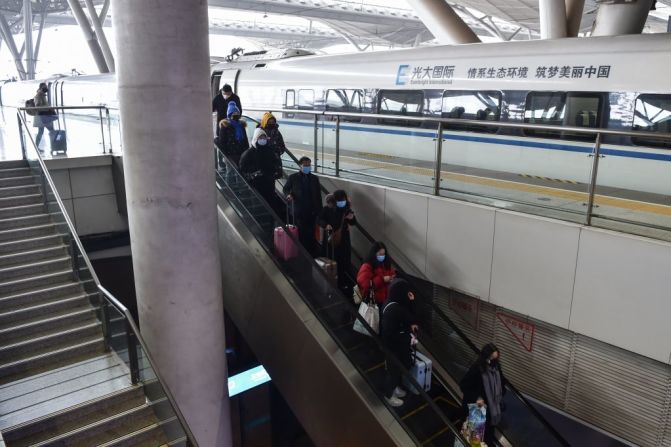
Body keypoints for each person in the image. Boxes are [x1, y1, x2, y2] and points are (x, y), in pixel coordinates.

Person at [380, 278, 418, 408]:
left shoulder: (389, 303)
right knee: (394, 370)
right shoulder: (396, 309)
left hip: (390, 345)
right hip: (395, 346)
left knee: (394, 369)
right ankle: (388, 395)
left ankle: (394, 388)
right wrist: (412, 302)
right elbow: (411, 317)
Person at [459, 343, 506, 446]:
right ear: (485, 357)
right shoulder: (477, 369)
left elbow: (501, 383)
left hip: (491, 409)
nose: (493, 361)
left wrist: (500, 393)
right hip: (478, 409)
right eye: (491, 358)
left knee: (488, 436)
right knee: (475, 439)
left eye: (496, 358)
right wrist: (477, 398)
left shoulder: (496, 367)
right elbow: (464, 385)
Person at [319, 189, 356, 298]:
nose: (342, 202)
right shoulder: (327, 209)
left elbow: (353, 222)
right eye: (340, 200)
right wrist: (326, 225)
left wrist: (352, 218)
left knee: (344, 262)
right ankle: (331, 282)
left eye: (344, 200)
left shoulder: (346, 210)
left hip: (344, 241)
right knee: (332, 260)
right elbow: (319, 219)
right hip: (331, 241)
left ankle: (342, 284)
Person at [282, 156, 322, 256]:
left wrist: (319, 211)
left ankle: (311, 253)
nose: (308, 167)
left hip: (312, 211)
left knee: (312, 232)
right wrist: (289, 195)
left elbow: (318, 195)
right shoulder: (293, 177)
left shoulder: (314, 178)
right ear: (300, 165)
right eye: (305, 165)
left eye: (309, 165)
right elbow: (286, 189)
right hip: (299, 210)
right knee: (301, 232)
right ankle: (302, 253)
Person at [240, 128, 282, 209]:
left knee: (270, 203)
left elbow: (276, 162)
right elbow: (243, 168)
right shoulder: (249, 153)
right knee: (258, 205)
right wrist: (257, 171)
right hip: (256, 184)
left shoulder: (270, 150)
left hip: (269, 183)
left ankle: (271, 220)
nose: (263, 140)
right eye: (260, 138)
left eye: (264, 138)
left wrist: (275, 172)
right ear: (256, 139)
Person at [356, 241, 396, 307]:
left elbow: (391, 273)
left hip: (386, 302)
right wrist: (382, 279)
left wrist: (392, 278)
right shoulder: (367, 266)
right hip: (373, 303)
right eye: (380, 254)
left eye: (384, 254)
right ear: (374, 254)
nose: (382, 256)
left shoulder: (385, 264)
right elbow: (365, 285)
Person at [216, 102, 248, 168]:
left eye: (237, 113)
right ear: (229, 115)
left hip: (241, 152)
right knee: (230, 172)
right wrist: (226, 154)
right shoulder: (225, 126)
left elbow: (245, 139)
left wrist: (246, 151)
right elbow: (222, 141)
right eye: (233, 113)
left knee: (240, 170)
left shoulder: (241, 125)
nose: (235, 115)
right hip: (230, 154)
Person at [33, 83, 57, 149]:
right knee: (50, 131)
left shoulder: (43, 95)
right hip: (42, 117)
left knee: (42, 132)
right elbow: (37, 106)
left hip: (44, 116)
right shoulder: (38, 95)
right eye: (44, 87)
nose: (46, 88)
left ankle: (37, 146)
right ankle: (54, 146)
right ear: (41, 88)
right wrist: (48, 107)